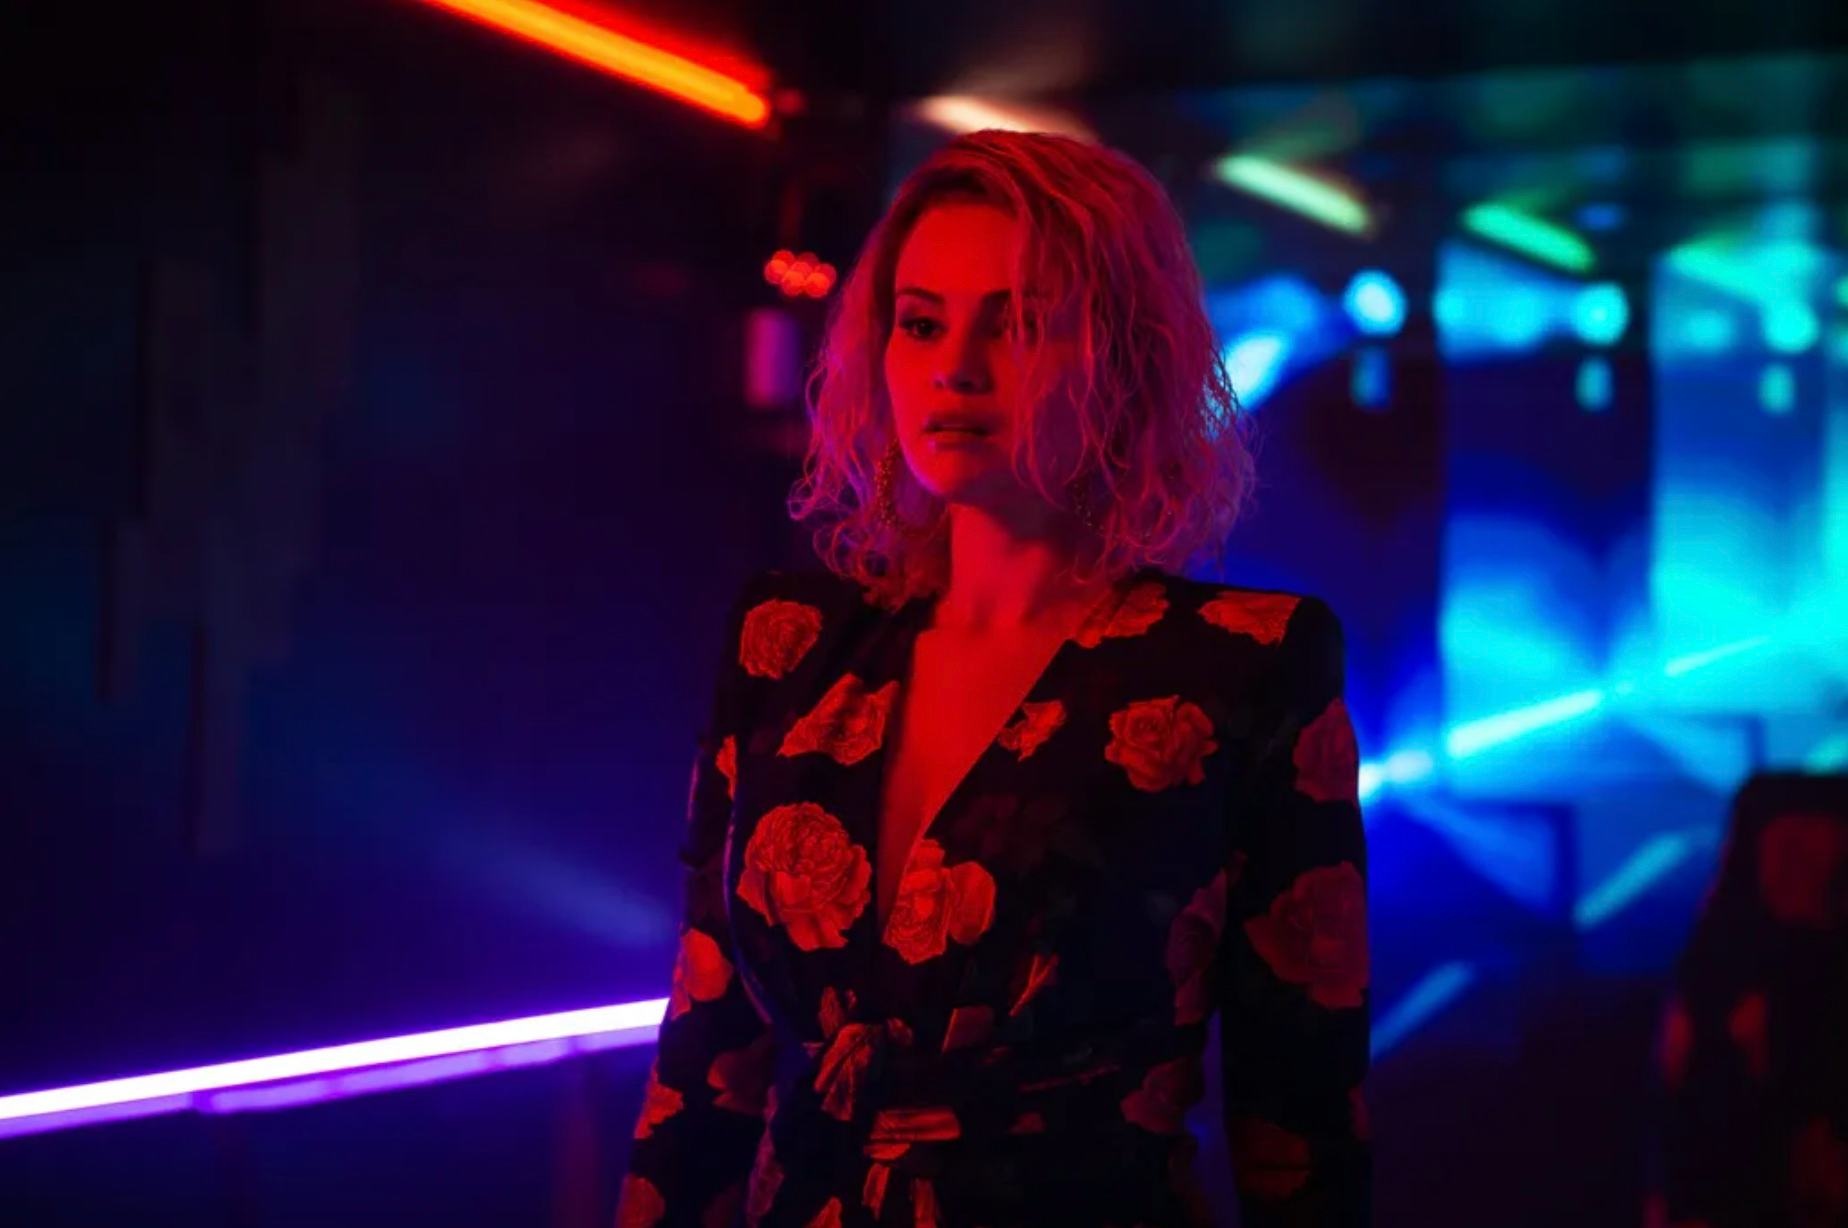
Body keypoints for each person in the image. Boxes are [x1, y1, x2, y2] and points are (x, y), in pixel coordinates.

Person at [617, 128, 1370, 1228]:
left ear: (1126, 357)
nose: (954, 368)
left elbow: (1300, 1104)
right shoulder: (788, 644)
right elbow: (703, 1051)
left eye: (1016, 325)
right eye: (921, 322)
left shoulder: (1241, 664)